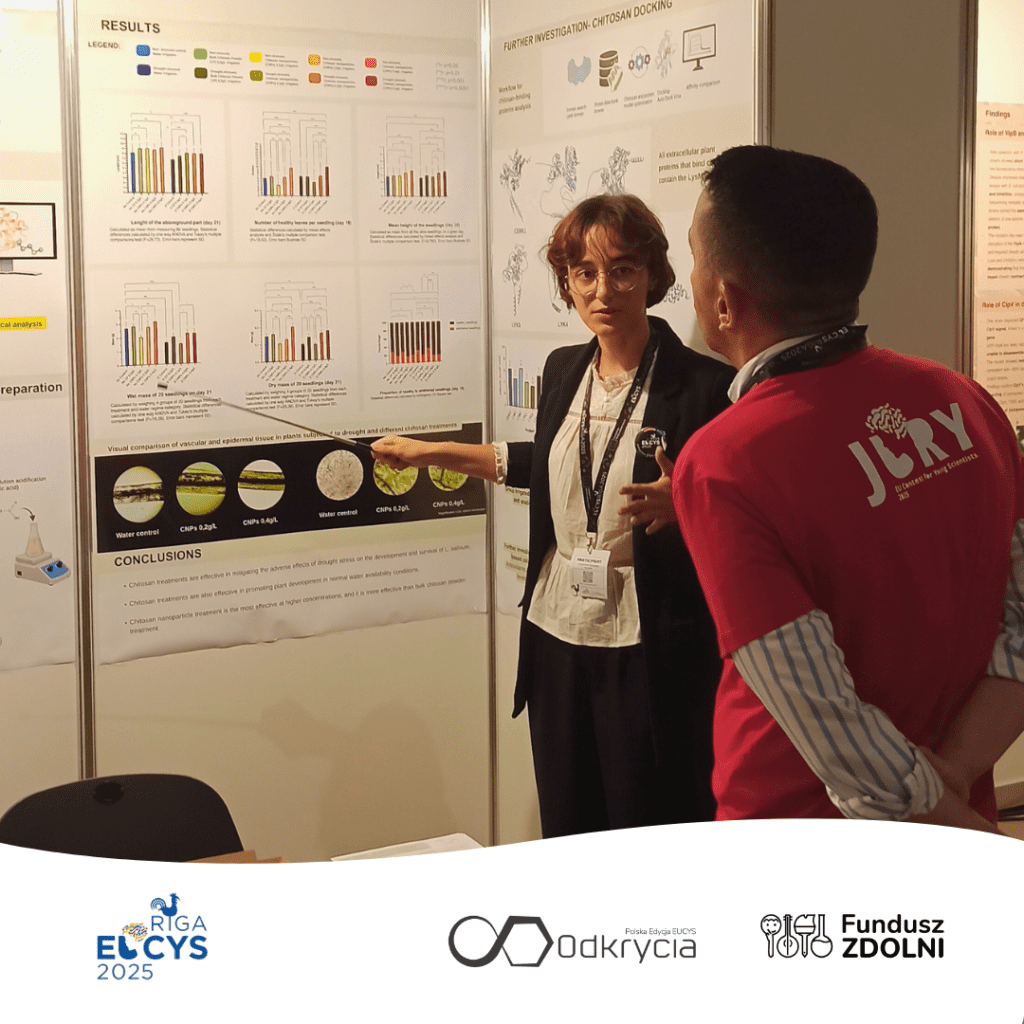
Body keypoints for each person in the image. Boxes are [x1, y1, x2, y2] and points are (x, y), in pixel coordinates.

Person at [672, 144, 1024, 830]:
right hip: (953, 804)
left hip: (802, 839)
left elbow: (835, 731)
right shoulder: (963, 400)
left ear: (723, 300)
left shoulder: (725, 462)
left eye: (693, 256)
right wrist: (957, 772)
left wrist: (978, 841)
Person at [373, 194, 734, 837]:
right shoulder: (563, 368)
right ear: (567, 283)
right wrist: (429, 452)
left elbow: (748, 504)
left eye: (621, 270)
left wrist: (688, 503)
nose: (602, 290)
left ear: (652, 273)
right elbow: (540, 460)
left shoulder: (705, 385)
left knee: (645, 820)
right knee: (568, 816)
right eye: (583, 273)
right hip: (557, 632)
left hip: (647, 643)